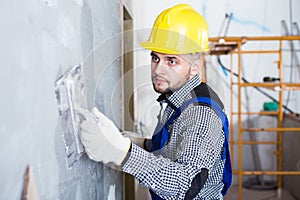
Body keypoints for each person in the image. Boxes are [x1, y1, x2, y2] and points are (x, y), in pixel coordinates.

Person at [79, 4, 232, 200]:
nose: (158, 70)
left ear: (194, 67)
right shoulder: (178, 99)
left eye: (171, 61)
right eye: (155, 58)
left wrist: (124, 154)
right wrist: (141, 143)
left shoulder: (200, 113)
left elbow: (185, 183)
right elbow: (177, 146)